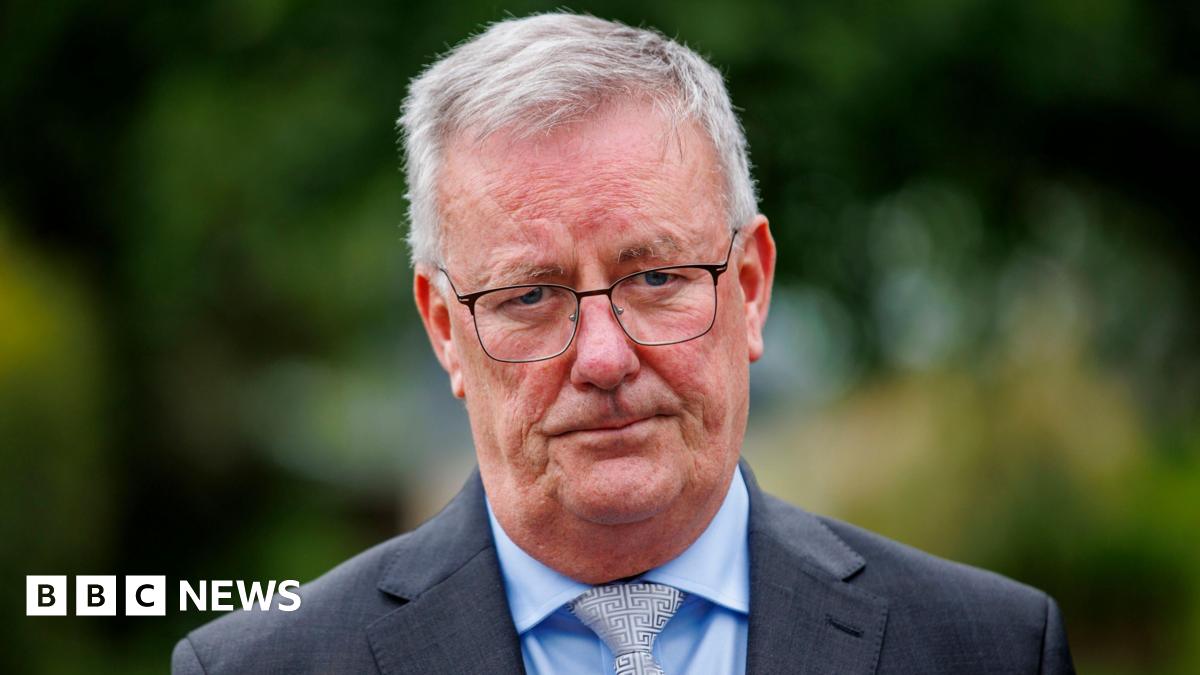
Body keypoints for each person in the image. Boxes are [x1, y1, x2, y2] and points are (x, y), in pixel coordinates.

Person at [172, 12, 1075, 674]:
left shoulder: (990, 647)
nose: (603, 358)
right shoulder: (263, 665)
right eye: (530, 294)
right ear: (446, 329)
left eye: (655, 279)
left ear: (751, 287)